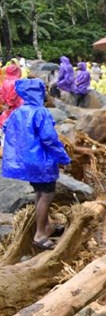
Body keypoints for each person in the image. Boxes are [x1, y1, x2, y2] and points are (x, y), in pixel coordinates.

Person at [1, 79, 71, 251]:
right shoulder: (40, 112)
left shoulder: (18, 112)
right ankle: (40, 234)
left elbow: (6, 128)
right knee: (47, 194)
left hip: (27, 161)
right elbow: (49, 138)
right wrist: (63, 157)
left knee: (39, 192)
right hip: (42, 160)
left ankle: (45, 226)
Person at [1, 61, 22, 129]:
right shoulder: (18, 82)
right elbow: (14, 95)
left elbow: (1, 93)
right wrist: (10, 103)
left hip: (7, 106)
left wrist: (4, 103)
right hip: (17, 106)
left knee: (6, 123)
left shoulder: (5, 82)